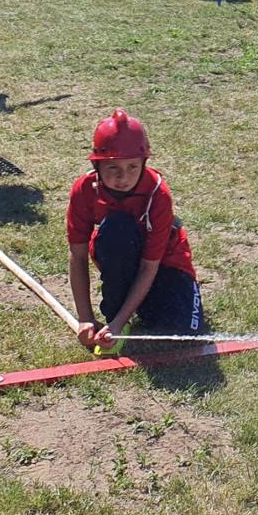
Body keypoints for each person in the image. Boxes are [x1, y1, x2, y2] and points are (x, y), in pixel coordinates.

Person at [69, 109, 204, 352]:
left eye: (132, 167)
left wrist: (119, 323)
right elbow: (77, 256)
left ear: (144, 163)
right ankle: (116, 310)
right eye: (113, 168)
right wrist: (85, 318)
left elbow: (149, 266)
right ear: (97, 166)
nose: (124, 177)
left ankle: (135, 309)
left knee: (184, 333)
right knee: (117, 230)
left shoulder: (158, 194)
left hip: (163, 263)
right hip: (121, 255)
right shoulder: (84, 190)